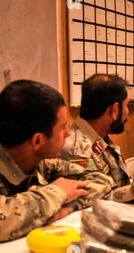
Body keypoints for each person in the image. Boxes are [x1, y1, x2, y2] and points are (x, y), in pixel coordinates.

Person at [0, 80, 114, 242]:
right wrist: (56, 193)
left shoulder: (42, 163)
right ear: (37, 141)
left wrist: (69, 205)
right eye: (62, 127)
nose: (69, 134)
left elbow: (102, 180)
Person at [60, 74, 131, 188]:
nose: (128, 112)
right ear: (114, 110)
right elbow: (92, 200)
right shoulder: (76, 150)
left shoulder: (99, 139)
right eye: (127, 105)